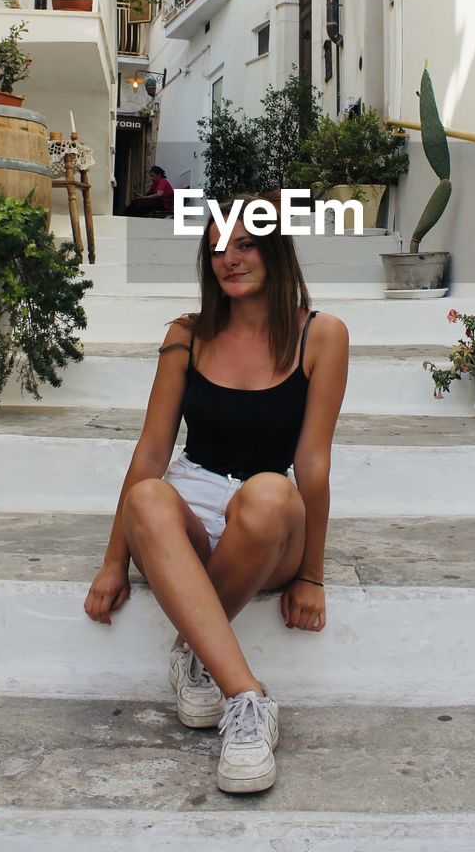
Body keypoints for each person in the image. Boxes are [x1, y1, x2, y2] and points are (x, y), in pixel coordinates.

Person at [84, 200, 349, 793]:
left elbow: (313, 464)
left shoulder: (321, 335)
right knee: (151, 496)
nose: (230, 259)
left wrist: (312, 576)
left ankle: (194, 649)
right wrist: (113, 562)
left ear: (275, 249)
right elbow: (151, 451)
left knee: (271, 493)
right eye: (217, 249)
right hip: (192, 511)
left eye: (245, 245)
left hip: (268, 525)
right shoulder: (187, 335)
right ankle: (247, 702)